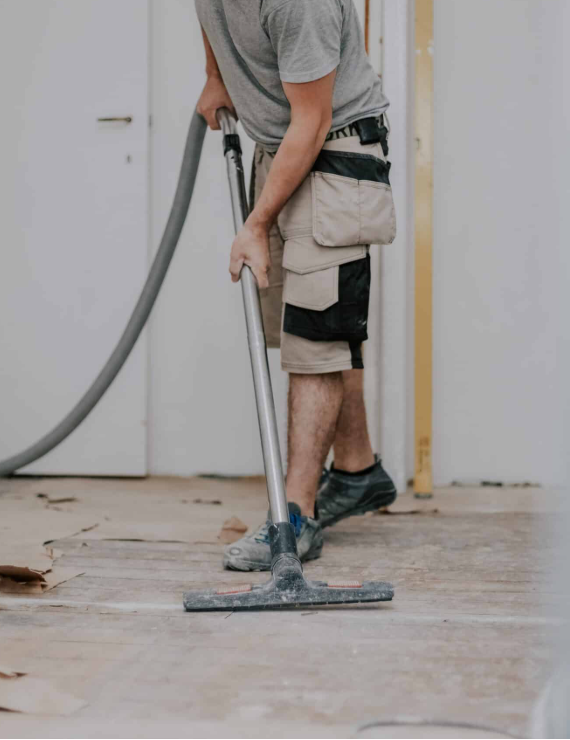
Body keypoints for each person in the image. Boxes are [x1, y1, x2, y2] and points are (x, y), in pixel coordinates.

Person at [194, 0, 399, 571]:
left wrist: (256, 223)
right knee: (313, 327)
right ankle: (356, 470)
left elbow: (311, 119)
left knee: (316, 340)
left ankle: (296, 517)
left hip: (331, 149)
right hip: (280, 146)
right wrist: (215, 76)